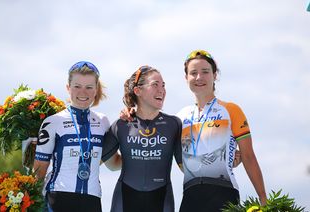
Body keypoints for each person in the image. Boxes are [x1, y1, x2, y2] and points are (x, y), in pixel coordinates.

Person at [177, 50, 267, 211]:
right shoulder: (180, 117)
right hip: (190, 196)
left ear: (215, 75)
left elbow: (248, 156)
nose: (199, 77)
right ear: (186, 78)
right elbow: (177, 158)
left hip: (224, 192)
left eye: (205, 72)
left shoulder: (231, 110)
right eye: (193, 73)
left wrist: (263, 199)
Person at [101, 65, 183, 212]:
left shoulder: (173, 124)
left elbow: (187, 167)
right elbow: (108, 164)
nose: (161, 90)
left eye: (163, 85)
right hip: (125, 199)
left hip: (162, 200)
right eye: (155, 85)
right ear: (138, 91)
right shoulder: (121, 125)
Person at [33, 61, 109, 212]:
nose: (83, 92)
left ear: (96, 90)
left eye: (89, 87)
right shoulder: (52, 122)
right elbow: (39, 169)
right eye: (77, 86)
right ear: (68, 88)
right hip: (58, 198)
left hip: (92, 199)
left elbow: (108, 160)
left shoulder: (103, 121)